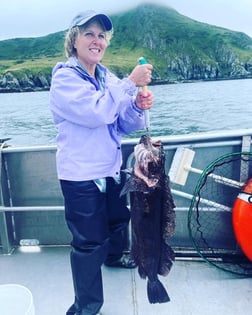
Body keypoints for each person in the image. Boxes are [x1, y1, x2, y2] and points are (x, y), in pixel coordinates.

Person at [49, 10, 153, 315]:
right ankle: (86, 308)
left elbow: (122, 124)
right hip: (81, 176)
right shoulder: (64, 78)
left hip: (110, 168)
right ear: (74, 41)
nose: (97, 40)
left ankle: (114, 257)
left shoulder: (106, 76)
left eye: (102, 35)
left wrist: (135, 104)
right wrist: (130, 84)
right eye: (89, 34)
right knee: (89, 243)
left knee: (117, 221)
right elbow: (97, 112)